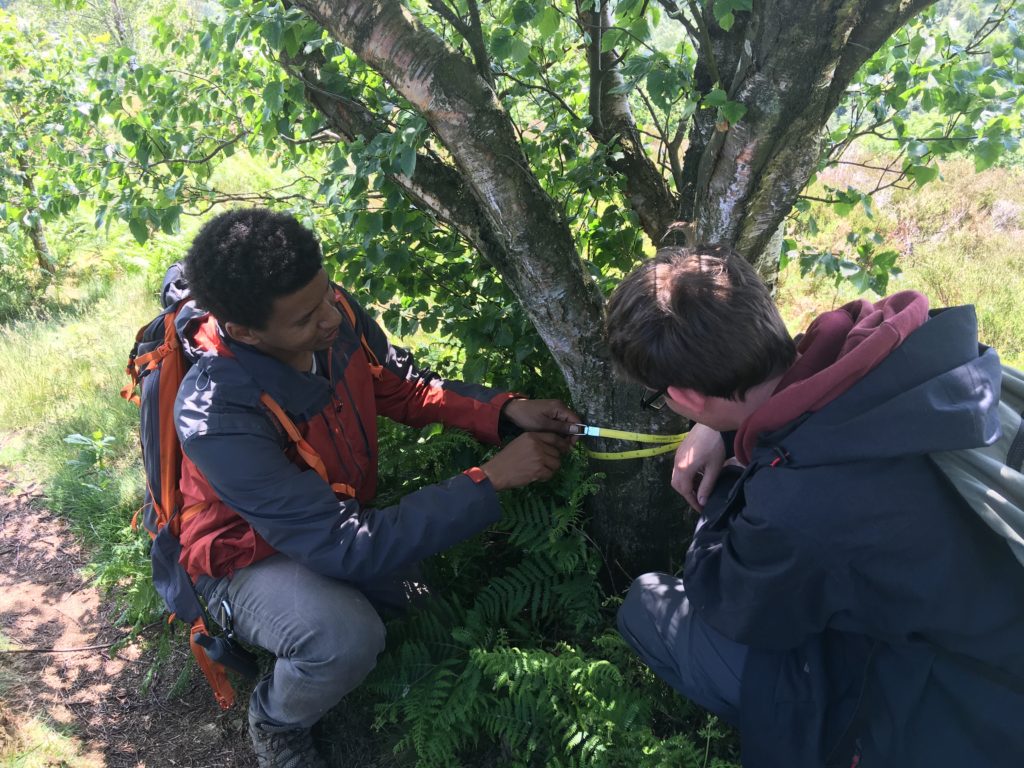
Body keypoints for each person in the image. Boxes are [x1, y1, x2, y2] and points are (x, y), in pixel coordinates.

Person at [173, 208, 578, 767]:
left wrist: (506, 410)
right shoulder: (218, 416)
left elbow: (400, 386)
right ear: (243, 331)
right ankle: (274, 720)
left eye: (325, 296)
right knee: (345, 638)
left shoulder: (328, 314)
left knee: (423, 610)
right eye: (304, 318)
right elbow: (343, 545)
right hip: (242, 556)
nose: (329, 319)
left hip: (328, 520)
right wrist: (491, 479)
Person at [606, 245, 1024, 767]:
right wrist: (719, 425)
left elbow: (742, 610)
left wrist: (722, 496)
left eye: (658, 398)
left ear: (685, 397)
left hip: (968, 701)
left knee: (645, 606)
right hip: (992, 611)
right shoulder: (896, 344)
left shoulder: (799, 503)